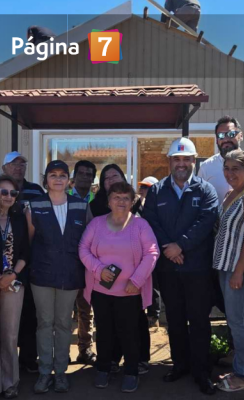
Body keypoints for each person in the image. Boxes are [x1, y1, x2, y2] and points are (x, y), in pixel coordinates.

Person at [143, 137, 219, 395]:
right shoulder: (156, 190)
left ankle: (200, 371)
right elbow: (151, 221)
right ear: (170, 161)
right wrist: (169, 247)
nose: (182, 163)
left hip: (197, 268)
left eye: (187, 159)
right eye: (177, 158)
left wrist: (181, 246)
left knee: (199, 321)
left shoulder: (205, 189)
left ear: (194, 161)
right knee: (174, 320)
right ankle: (180, 365)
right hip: (169, 268)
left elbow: (206, 221)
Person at [80, 182, 159, 393]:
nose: (121, 202)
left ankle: (131, 371)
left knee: (129, 333)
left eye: (126, 198)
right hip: (100, 290)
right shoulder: (96, 224)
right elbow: (83, 248)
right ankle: (103, 368)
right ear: (108, 201)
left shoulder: (140, 225)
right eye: (116, 197)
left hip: (130, 291)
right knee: (104, 331)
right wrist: (98, 269)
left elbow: (152, 253)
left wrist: (136, 281)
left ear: (133, 201)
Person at [27, 160, 90, 394]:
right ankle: (45, 372)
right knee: (44, 323)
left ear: (69, 180)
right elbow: (30, 241)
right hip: (42, 275)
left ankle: (61, 372)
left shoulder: (80, 206)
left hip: (70, 275)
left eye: (62, 175)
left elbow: (87, 240)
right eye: (53, 174)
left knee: (64, 323)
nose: (58, 179)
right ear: (46, 179)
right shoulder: (34, 205)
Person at [211, 150, 244, 393]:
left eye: (235, 169)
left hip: (241, 269)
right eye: (226, 168)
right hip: (225, 267)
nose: (230, 173)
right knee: (240, 320)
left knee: (241, 321)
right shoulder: (232, 193)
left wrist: (239, 271)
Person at [1, 151, 45, 374]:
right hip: (3, 262)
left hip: (31, 259)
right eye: (13, 164)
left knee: (30, 312)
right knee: (4, 318)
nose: (18, 168)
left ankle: (28, 359)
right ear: (4, 168)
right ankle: (5, 365)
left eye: (22, 164)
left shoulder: (36, 190)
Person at [0, 175, 30, 399]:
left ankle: (10, 382)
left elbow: (26, 252)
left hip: (14, 282)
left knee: (10, 335)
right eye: (4, 192)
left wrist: (12, 274)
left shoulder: (20, 218)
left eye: (13, 193)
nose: (8, 197)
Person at [68, 159, 98, 365]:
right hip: (66, 262)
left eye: (89, 174)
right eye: (81, 173)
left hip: (90, 264)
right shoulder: (63, 198)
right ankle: (59, 353)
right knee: (61, 314)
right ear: (74, 176)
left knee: (86, 310)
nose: (85, 177)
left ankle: (84, 349)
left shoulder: (98, 201)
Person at [197, 116, 244, 201]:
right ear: (217, 140)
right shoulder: (206, 167)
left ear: (241, 136)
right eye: (221, 135)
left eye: (231, 134)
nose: (225, 139)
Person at [136, 176, 161, 327]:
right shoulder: (136, 204)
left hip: (152, 249)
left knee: (153, 282)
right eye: (142, 187)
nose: (143, 190)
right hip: (137, 250)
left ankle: (153, 314)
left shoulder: (160, 206)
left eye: (147, 187)